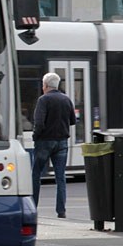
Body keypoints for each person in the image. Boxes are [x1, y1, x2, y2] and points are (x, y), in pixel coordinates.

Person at [32, 72, 77, 218]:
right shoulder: (66, 99)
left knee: (36, 174)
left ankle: (33, 207)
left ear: (45, 86)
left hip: (44, 141)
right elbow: (72, 121)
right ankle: (61, 210)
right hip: (62, 142)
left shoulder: (43, 100)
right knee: (60, 177)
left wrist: (35, 136)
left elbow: (39, 122)